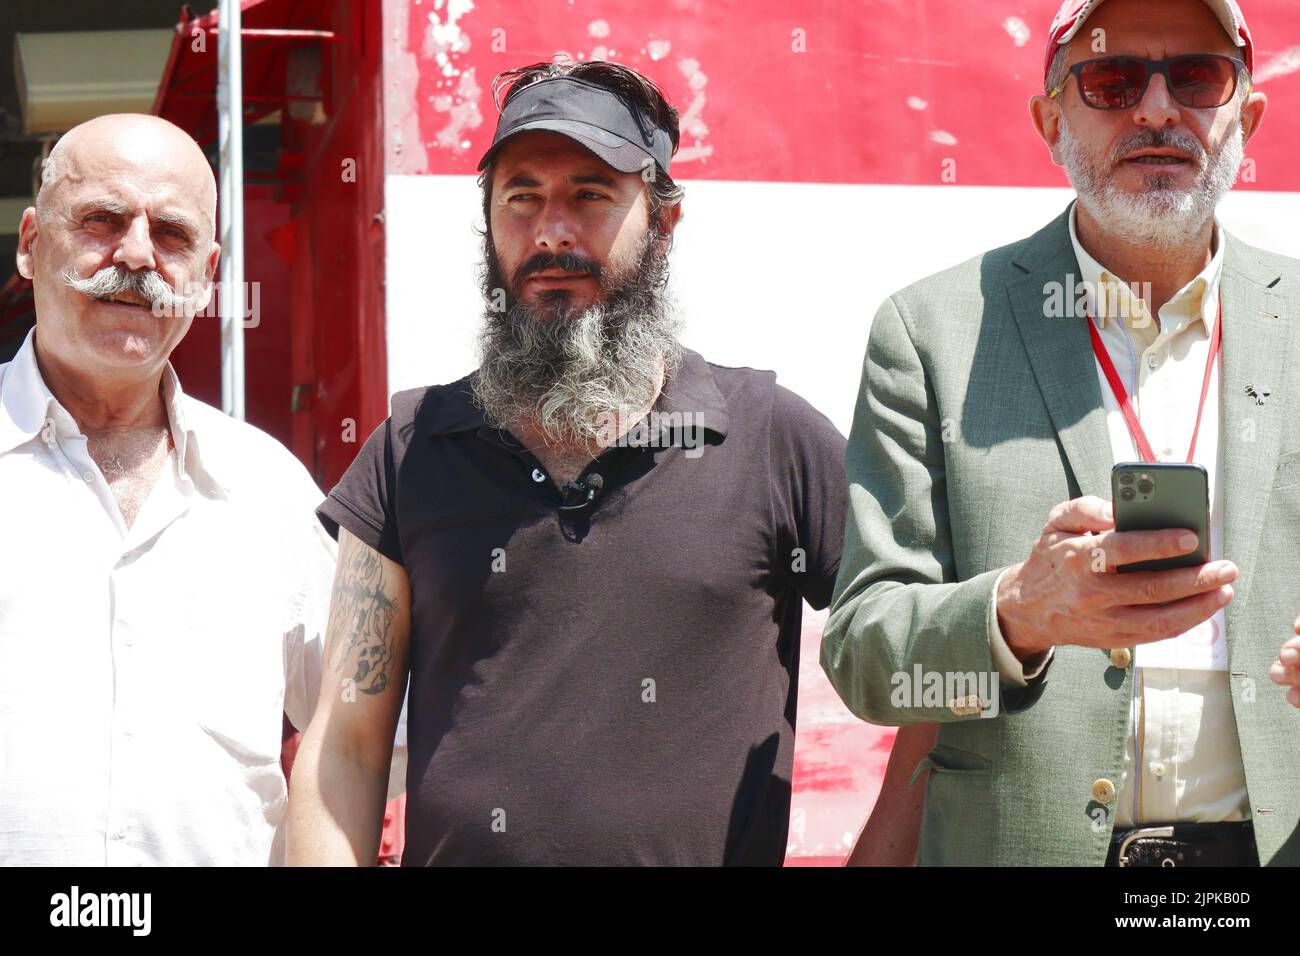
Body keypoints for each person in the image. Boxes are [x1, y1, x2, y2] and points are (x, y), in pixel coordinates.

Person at [287, 60, 851, 866]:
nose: (552, 232)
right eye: (522, 197)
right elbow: (342, 744)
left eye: (590, 195)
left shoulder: (768, 438)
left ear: (662, 222)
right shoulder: (411, 449)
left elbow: (924, 646)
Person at [823, 0, 1300, 866]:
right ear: (1050, 120)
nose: (1157, 109)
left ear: (1248, 116)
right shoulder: (932, 333)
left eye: (1197, 77)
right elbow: (865, 656)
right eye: (1112, 79)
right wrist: (1015, 615)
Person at [0, 114, 334, 865]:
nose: (139, 254)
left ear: (208, 274)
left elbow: (359, 732)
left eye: (174, 235)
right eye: (102, 220)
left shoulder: (267, 487)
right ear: (29, 244)